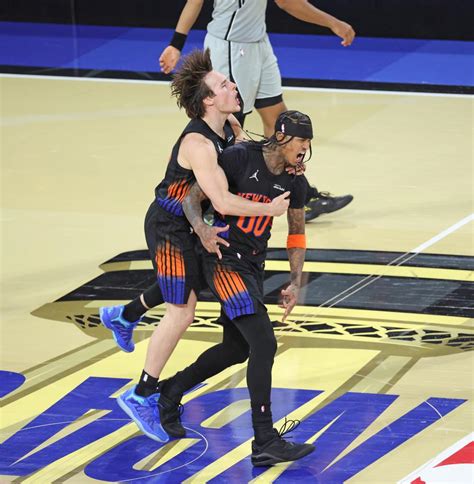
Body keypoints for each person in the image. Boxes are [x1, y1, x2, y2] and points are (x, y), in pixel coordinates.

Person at [99, 49, 291, 443]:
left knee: (196, 282)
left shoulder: (230, 125)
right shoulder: (198, 144)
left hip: (194, 222)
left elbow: (249, 160)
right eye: (223, 85)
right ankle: (141, 394)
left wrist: (287, 162)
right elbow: (221, 200)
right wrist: (270, 208)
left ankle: (125, 315)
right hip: (170, 226)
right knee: (182, 310)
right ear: (207, 101)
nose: (233, 86)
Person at [156, 110, 315, 466]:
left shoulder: (296, 182)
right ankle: (264, 439)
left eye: (309, 142)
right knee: (264, 343)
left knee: (236, 348)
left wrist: (295, 280)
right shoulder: (239, 158)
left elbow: (297, 233)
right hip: (223, 261)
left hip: (252, 266)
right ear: (282, 137)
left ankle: (170, 391)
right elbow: (192, 199)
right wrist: (202, 231)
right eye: (302, 141)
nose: (305, 148)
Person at [159, 0, 355, 222]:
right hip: (232, 48)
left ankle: (300, 196)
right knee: (224, 132)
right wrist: (333, 23)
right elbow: (288, 3)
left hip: (258, 42)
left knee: (279, 123)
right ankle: (195, 201)